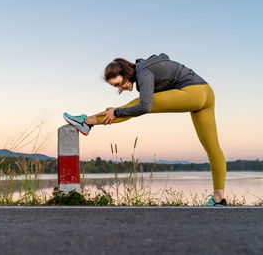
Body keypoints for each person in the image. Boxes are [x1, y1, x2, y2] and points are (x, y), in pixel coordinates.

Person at [63, 53, 227, 206]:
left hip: (194, 93)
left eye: (119, 84)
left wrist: (117, 112)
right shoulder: (146, 70)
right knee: (213, 148)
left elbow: (145, 106)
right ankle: (219, 198)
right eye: (116, 87)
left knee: (137, 103)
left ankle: (87, 122)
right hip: (206, 92)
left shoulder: (144, 73)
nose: (120, 89)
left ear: (126, 73)